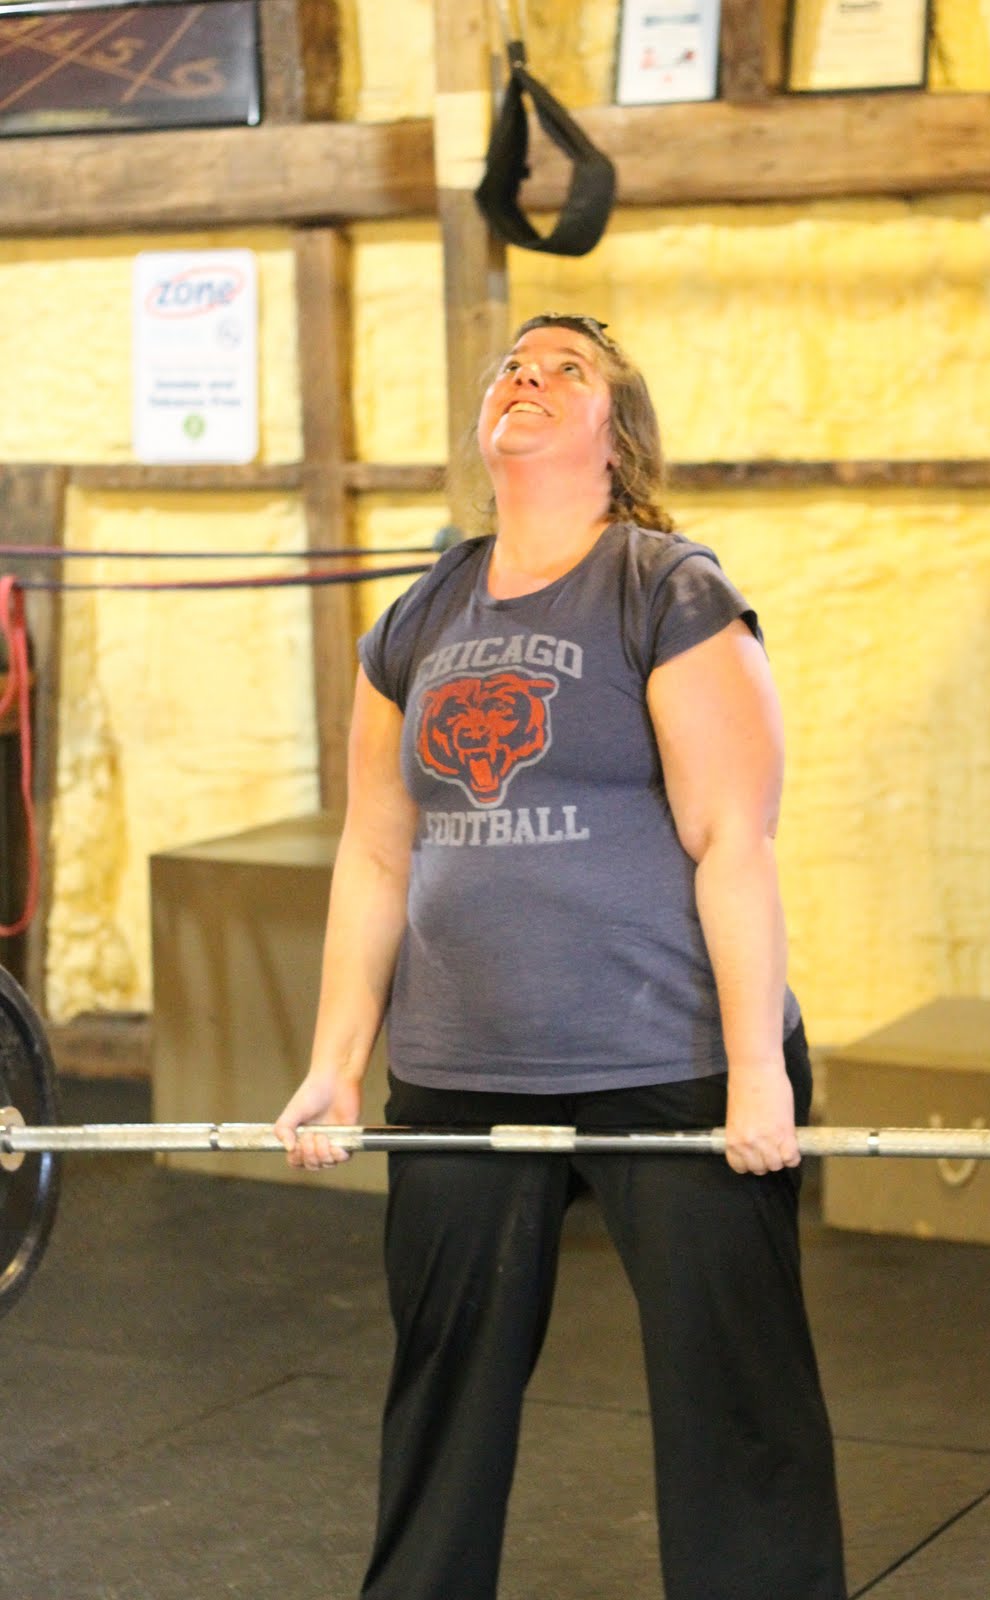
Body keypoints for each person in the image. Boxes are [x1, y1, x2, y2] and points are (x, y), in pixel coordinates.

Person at [274, 312, 847, 1600]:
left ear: (617, 436)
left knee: (736, 1403)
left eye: (564, 369)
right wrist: (335, 1064)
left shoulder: (666, 589)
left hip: (669, 1059)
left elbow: (733, 839)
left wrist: (757, 1073)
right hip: (461, 1071)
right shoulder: (418, 616)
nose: (526, 378)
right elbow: (375, 854)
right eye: (511, 368)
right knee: (442, 1398)